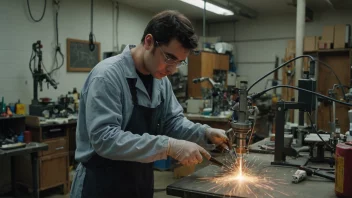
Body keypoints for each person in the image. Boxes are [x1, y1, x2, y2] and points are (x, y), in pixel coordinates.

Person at [70, 10, 229, 198]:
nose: (172, 69)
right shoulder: (107, 76)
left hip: (140, 181)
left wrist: (205, 133)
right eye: (169, 58)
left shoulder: (161, 81)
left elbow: (172, 123)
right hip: (101, 184)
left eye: (180, 62)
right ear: (148, 42)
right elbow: (105, 139)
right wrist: (168, 146)